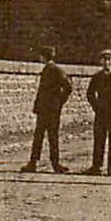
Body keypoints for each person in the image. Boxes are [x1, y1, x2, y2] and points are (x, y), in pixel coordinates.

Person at [20, 45, 72, 173]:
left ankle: (54, 163)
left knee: (51, 136)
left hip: (52, 110)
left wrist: (59, 101)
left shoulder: (55, 70)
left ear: (44, 57)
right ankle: (34, 163)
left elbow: (68, 86)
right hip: (44, 109)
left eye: (40, 56)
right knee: (40, 136)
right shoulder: (49, 69)